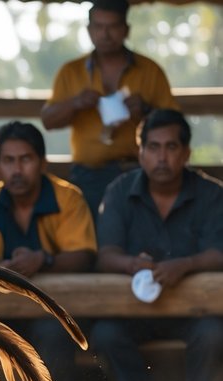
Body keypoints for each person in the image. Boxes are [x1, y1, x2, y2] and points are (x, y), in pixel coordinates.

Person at [89, 109, 223, 381]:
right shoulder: (119, 192)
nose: (162, 157)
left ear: (186, 153)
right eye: (153, 147)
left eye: (171, 147)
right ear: (140, 153)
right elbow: (106, 256)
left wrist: (187, 265)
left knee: (214, 333)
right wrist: (131, 264)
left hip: (194, 310)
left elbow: (219, 253)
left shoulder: (212, 195)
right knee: (106, 333)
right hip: (133, 310)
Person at [0, 121, 95, 381]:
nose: (17, 169)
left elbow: (83, 256)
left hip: (62, 310)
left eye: (25, 159)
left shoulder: (68, 198)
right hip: (3, 308)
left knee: (51, 332)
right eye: (8, 161)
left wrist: (44, 261)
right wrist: (5, 268)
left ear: (43, 163)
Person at [40, 0, 177, 218]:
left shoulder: (150, 71)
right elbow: (47, 120)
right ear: (89, 30)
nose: (105, 34)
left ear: (126, 30)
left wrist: (146, 110)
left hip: (138, 173)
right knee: (91, 243)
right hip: (87, 175)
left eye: (112, 26)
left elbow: (176, 125)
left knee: (138, 237)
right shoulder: (71, 71)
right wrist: (75, 103)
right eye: (99, 26)